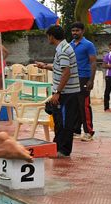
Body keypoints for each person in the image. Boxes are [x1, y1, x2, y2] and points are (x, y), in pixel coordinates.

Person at [35, 25, 80, 157]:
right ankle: (58, 147)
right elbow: (60, 68)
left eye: (48, 36)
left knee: (64, 122)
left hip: (67, 93)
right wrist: (44, 66)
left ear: (51, 36)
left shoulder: (63, 50)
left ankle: (63, 150)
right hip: (66, 92)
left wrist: (57, 92)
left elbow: (66, 72)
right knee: (59, 121)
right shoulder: (63, 47)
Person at [69, 22, 97, 141]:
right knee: (75, 104)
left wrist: (91, 79)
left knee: (84, 105)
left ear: (82, 31)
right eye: (73, 30)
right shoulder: (70, 44)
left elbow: (93, 62)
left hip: (84, 77)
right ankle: (76, 130)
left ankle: (88, 132)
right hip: (73, 77)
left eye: (77, 30)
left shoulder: (88, 45)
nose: (75, 33)